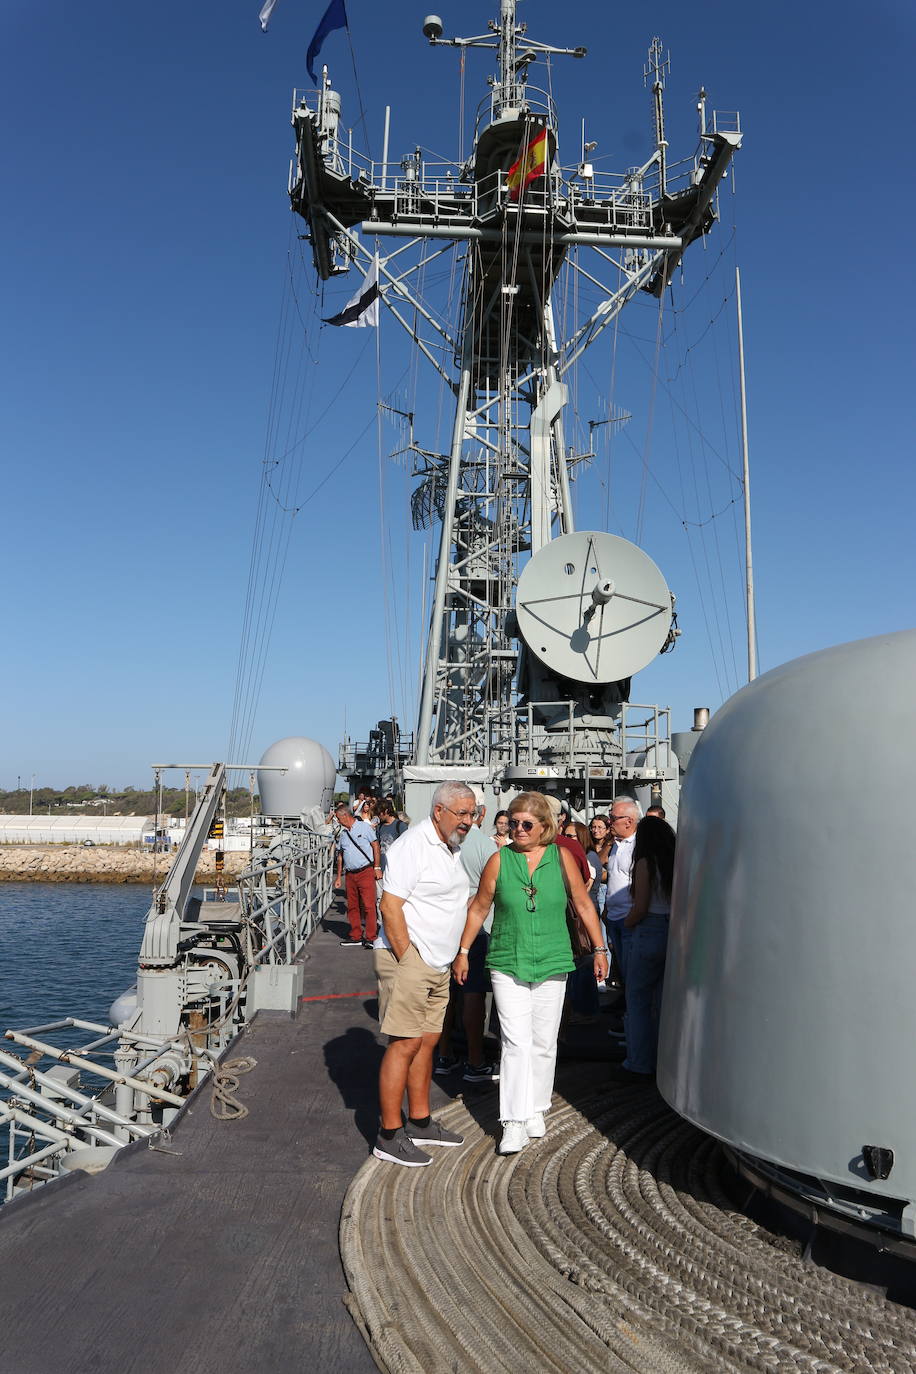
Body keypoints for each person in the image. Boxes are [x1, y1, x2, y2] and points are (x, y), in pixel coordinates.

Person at [453, 792, 609, 1155]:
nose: (517, 830)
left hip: (554, 959)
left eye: (526, 825)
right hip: (508, 959)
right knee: (514, 1041)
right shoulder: (498, 860)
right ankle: (513, 1120)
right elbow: (478, 909)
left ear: (544, 828)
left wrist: (601, 949)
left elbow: (583, 903)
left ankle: (538, 1106)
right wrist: (462, 952)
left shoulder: (562, 858)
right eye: (512, 823)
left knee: (543, 1041)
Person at [372, 781, 476, 1167]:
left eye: (472, 813)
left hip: (438, 962)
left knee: (427, 1042)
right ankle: (388, 1134)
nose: (468, 820)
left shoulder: (451, 847)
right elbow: (390, 906)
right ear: (439, 811)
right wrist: (408, 958)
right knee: (404, 1044)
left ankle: (419, 1121)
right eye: (461, 813)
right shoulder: (413, 846)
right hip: (411, 961)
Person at [436, 787, 499, 1083]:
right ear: (480, 814)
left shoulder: (442, 840)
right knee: (472, 992)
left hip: (442, 926)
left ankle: (443, 1054)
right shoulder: (485, 846)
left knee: (444, 994)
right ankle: (475, 1060)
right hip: (475, 928)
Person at [611, 816, 676, 1083]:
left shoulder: (645, 863)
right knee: (661, 1001)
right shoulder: (674, 863)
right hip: (670, 931)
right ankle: (663, 1060)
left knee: (637, 1001)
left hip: (647, 929)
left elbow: (640, 906)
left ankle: (638, 1062)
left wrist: (626, 924)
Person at [603, 798, 641, 979]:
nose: (609, 821)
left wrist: (632, 916)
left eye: (613, 817)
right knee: (623, 970)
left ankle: (632, 1006)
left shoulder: (637, 846)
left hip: (628, 918)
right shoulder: (615, 846)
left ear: (629, 821)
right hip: (613, 917)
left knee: (632, 970)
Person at [334, 804, 382, 948]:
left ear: (344, 816)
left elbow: (375, 846)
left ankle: (371, 937)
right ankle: (356, 936)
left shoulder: (364, 827)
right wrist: (338, 876)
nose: (337, 821)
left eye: (338, 818)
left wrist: (377, 867)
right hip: (350, 874)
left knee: (369, 905)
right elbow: (340, 855)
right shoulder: (343, 834)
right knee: (352, 906)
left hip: (365, 871)